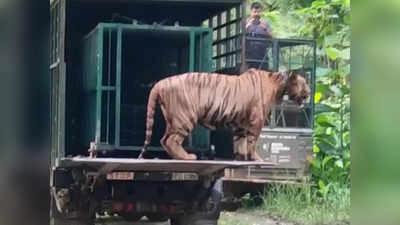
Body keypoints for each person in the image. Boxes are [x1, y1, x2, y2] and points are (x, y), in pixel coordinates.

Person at [245, 2, 274, 70]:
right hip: (249, 57)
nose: (257, 14)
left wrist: (265, 29)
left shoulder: (265, 24)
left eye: (259, 12)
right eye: (255, 12)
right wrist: (246, 27)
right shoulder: (246, 23)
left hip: (262, 56)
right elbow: (239, 38)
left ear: (261, 12)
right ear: (251, 12)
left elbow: (273, 38)